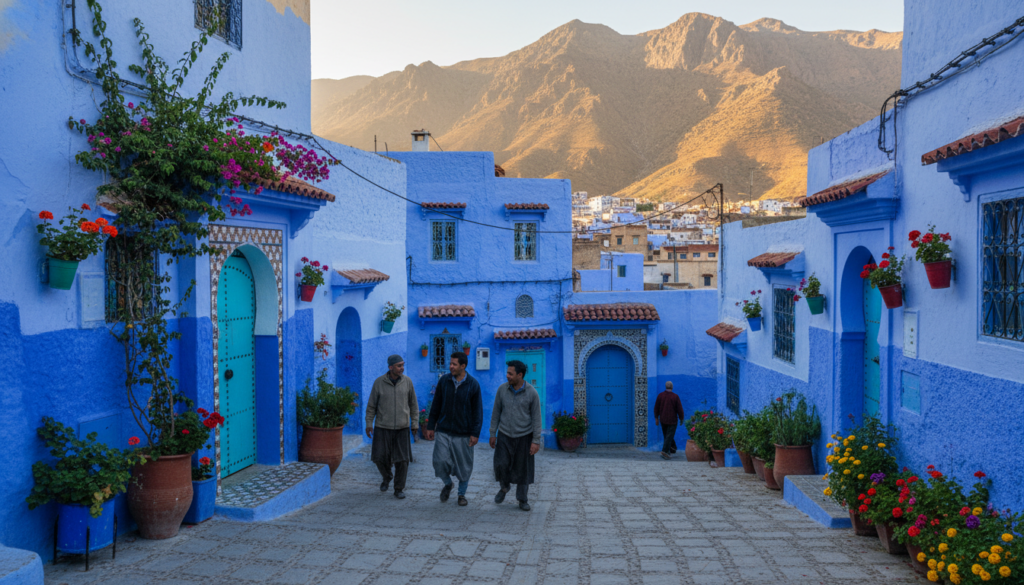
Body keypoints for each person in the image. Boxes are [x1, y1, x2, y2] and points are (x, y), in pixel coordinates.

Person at [424, 352, 482, 506]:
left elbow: (477, 412)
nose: (450, 366)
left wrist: (475, 433)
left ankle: (461, 495)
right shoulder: (444, 381)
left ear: (463, 366)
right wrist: (431, 426)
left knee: (464, 466)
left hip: (463, 433)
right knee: (439, 461)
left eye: (454, 364)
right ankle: (448, 484)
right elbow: (436, 404)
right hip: (443, 430)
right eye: (450, 363)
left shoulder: (473, 384)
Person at [489, 360, 541, 511]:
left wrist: (536, 441)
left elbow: (537, 419)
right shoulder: (502, 390)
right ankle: (504, 487)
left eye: (510, 374)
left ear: (520, 375)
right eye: (507, 373)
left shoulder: (532, 393)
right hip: (504, 434)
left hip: (524, 436)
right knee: (501, 464)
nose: (507, 376)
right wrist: (493, 433)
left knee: (523, 469)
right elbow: (496, 412)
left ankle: (522, 499)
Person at [365, 355, 418, 499]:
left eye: (403, 365)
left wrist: (414, 423)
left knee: (403, 460)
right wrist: (369, 423)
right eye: (399, 366)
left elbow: (413, 405)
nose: (402, 368)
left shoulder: (407, 382)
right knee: (379, 457)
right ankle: (387, 476)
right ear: (390, 367)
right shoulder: (379, 382)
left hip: (402, 427)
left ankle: (399, 488)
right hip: (382, 426)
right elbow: (371, 406)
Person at [653, 381, 685, 460]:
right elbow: (680, 409)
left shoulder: (660, 395)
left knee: (667, 436)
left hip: (663, 419)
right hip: (672, 420)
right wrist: (681, 418)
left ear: (665, 387)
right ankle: (665, 451)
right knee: (669, 436)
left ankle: (672, 448)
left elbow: (656, 408)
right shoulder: (675, 396)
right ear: (672, 387)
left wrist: (656, 418)